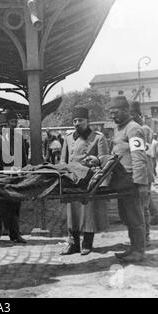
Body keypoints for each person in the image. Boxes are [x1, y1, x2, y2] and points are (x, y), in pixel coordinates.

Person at [60, 106, 109, 256]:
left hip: (88, 180)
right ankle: (73, 244)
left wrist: (96, 160)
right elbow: (63, 159)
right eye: (74, 120)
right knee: (72, 212)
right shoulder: (68, 138)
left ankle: (87, 243)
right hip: (71, 179)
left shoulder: (98, 138)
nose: (76, 123)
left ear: (87, 121)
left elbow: (105, 160)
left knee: (88, 212)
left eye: (80, 120)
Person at [109, 96, 148, 262]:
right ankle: (133, 247)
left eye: (115, 112)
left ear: (126, 110)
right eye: (111, 113)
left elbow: (139, 157)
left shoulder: (134, 129)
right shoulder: (119, 129)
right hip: (121, 181)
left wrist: (140, 184)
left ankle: (138, 251)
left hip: (132, 180)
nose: (113, 116)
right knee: (126, 216)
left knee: (135, 217)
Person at [0, 110, 28, 245]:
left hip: (15, 178)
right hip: (0, 178)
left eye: (5, 126)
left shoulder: (17, 138)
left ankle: (15, 234)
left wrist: (22, 170)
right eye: (1, 126)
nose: (4, 128)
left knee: (15, 206)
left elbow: (23, 158)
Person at [129, 101, 158, 245]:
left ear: (137, 114)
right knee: (142, 203)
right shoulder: (136, 128)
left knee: (143, 206)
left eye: (132, 115)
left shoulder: (143, 129)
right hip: (139, 170)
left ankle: (145, 237)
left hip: (144, 170)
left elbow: (142, 152)